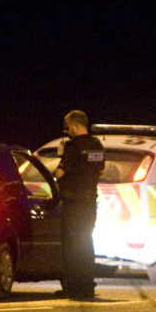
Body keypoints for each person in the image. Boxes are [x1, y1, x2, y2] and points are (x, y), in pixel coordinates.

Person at [55, 110, 105, 299]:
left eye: (68, 127)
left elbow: (60, 173)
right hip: (89, 202)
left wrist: (55, 175)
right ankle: (87, 286)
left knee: (71, 245)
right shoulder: (96, 145)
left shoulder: (73, 146)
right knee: (86, 242)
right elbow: (100, 170)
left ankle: (73, 287)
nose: (66, 131)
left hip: (73, 202)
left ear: (76, 126)